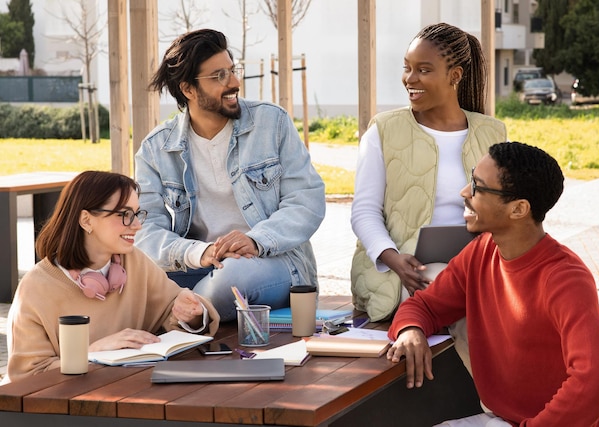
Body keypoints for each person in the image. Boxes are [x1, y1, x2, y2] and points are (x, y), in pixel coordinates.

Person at [387, 142, 599, 426]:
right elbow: (425, 306)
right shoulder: (481, 252)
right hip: (499, 419)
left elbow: (596, 383)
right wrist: (411, 330)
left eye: (477, 187)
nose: (464, 192)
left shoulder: (566, 280)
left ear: (519, 209)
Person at [134, 29, 326, 322]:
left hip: (270, 261)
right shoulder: (156, 148)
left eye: (232, 71)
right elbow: (145, 232)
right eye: (219, 76)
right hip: (197, 264)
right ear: (188, 89)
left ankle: (184, 314)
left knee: (229, 280)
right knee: (130, 283)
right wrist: (201, 252)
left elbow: (307, 201)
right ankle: (183, 313)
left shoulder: (271, 122)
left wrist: (256, 240)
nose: (234, 82)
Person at [350, 22, 507, 323]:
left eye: (423, 70)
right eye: (407, 68)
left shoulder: (491, 133)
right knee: (447, 284)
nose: (410, 78)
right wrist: (394, 259)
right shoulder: (384, 130)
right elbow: (364, 211)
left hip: (477, 262)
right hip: (404, 271)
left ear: (455, 76)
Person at [4, 171, 219, 384]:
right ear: (86, 220)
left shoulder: (135, 262)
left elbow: (178, 309)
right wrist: (93, 352)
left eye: (136, 214)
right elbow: (27, 378)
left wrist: (190, 314)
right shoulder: (36, 288)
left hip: (131, 393)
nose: (137, 225)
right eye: (124, 215)